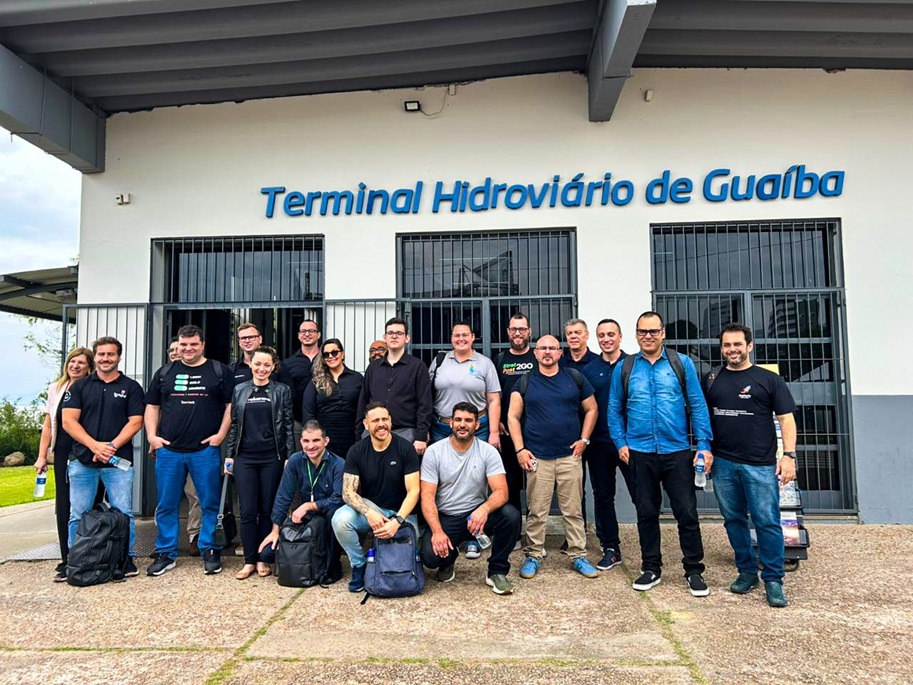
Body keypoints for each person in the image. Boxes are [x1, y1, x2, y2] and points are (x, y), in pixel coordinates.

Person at [608, 311, 713, 597]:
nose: (648, 336)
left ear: (663, 333)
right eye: (642, 331)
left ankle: (694, 570)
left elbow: (697, 404)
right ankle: (651, 568)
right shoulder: (626, 367)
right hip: (639, 452)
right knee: (646, 513)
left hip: (677, 451)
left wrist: (703, 444)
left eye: (653, 331)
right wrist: (620, 442)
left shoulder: (682, 364)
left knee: (687, 513)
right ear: (636, 334)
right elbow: (615, 408)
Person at [705, 323, 798, 608]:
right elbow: (703, 416)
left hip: (759, 464)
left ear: (749, 346)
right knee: (733, 520)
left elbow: (786, 419)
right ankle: (746, 572)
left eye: (737, 344)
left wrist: (789, 456)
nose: (732, 350)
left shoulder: (768, 379)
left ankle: (773, 579)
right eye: (727, 345)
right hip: (723, 464)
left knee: (766, 521)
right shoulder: (712, 378)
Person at [507, 334, 600, 579]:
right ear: (535, 354)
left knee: (573, 511)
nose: (547, 352)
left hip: (570, 456)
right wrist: (520, 449)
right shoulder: (525, 382)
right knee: (537, 511)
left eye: (552, 348)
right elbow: (512, 417)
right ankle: (534, 555)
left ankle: (578, 555)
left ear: (560, 353)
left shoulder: (574, 378)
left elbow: (592, 409)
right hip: (538, 458)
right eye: (542, 348)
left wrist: (585, 439)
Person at [145, 324, 234, 576]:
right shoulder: (165, 372)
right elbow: (152, 406)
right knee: (167, 504)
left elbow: (230, 406)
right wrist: (152, 437)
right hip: (169, 451)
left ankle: (209, 548)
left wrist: (220, 435)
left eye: (193, 344)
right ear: (178, 346)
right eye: (184, 345)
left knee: (209, 502)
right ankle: (166, 552)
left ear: (202, 344)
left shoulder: (218, 371)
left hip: (204, 450)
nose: (188, 349)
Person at [62, 337, 144, 577]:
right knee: (77, 514)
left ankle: (125, 559)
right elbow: (68, 421)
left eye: (110, 354)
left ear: (119, 357)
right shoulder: (80, 386)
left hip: (118, 463)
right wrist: (95, 446)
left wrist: (111, 447)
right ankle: (75, 560)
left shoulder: (131, 387)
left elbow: (136, 421)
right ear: (95, 357)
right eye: (101, 355)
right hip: (82, 461)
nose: (105, 359)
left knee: (124, 512)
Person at [420, 402, 521, 595]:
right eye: (458, 420)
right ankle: (449, 559)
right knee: (430, 558)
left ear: (477, 425)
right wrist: (437, 531)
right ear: (450, 423)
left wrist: (483, 509)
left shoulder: (488, 451)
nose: (462, 424)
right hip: (447, 516)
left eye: (468, 420)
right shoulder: (434, 452)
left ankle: (497, 572)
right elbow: (427, 496)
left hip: (477, 516)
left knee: (511, 515)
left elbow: (502, 491)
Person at [332, 402, 420, 592]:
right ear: (366, 424)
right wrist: (369, 512)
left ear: (390, 421)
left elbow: (414, 490)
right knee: (340, 520)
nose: (381, 424)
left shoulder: (405, 448)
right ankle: (359, 565)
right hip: (373, 509)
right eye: (376, 420)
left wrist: (397, 521)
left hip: (402, 513)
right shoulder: (357, 451)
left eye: (385, 419)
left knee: (409, 550)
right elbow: (347, 492)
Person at [225, 346, 294, 579]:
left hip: (271, 457)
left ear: (273, 367)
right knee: (247, 510)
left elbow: (286, 426)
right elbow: (234, 424)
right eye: (258, 364)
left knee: (267, 510)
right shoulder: (240, 390)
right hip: (245, 457)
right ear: (251, 365)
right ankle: (249, 560)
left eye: (267, 365)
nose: (262, 369)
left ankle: (264, 558)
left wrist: (289, 456)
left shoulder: (282, 391)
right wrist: (230, 454)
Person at [34, 347, 95, 582]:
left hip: (87, 450)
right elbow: (48, 425)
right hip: (62, 451)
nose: (76, 366)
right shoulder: (56, 388)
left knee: (89, 504)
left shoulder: (92, 388)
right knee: (65, 504)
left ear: (89, 367)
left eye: (81, 362)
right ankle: (67, 557)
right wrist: (42, 456)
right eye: (72, 361)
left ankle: (89, 553)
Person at [259, 420, 346, 587]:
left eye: (316, 440)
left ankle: (331, 566)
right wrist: (275, 530)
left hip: (328, 514)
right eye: (306, 441)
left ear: (325, 441)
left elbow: (338, 498)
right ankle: (310, 562)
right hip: (307, 519)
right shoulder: (295, 461)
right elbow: (283, 496)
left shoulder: (338, 464)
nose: (310, 446)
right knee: (267, 554)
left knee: (334, 515)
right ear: (301, 442)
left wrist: (308, 506)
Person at [581, 318, 637, 571]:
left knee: (642, 495)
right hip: (600, 444)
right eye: (601, 335)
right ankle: (611, 547)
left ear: (620, 336)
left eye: (611, 334)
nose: (606, 339)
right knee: (603, 497)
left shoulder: (635, 365)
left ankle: (650, 548)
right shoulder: (589, 371)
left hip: (632, 443)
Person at [356, 317, 432, 456]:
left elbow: (424, 404)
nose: (394, 336)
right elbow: (363, 401)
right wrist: (359, 433)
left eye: (399, 333)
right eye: (390, 333)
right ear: (385, 337)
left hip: (406, 433)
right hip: (373, 432)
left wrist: (421, 436)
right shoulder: (373, 368)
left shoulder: (417, 367)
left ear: (407, 338)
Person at [494, 313, 536, 542]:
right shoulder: (500, 359)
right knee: (509, 483)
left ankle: (534, 535)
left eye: (522, 329)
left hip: (535, 430)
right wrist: (498, 419)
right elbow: (494, 395)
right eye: (513, 329)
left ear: (529, 331)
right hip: (507, 432)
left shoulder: (538, 356)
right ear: (508, 332)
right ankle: (514, 534)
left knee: (536, 484)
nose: (517, 333)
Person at [428, 322, 500, 448]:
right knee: (443, 465)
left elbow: (494, 400)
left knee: (476, 466)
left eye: (465, 335)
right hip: (442, 427)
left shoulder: (485, 363)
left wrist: (494, 432)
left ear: (472, 337)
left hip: (477, 428)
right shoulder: (439, 361)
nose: (461, 339)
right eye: (457, 335)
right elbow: (426, 395)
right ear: (451, 338)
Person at [303, 339, 364, 460]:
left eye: (334, 353)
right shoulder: (316, 381)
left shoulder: (356, 378)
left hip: (351, 435)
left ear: (343, 354)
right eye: (326, 354)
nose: (330, 357)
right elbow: (308, 411)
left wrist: (359, 437)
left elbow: (362, 409)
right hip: (325, 438)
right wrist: (314, 438)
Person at [278, 319, 321, 436]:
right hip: (298, 421)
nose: (307, 334)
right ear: (298, 335)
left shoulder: (328, 360)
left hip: (326, 417)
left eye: (311, 331)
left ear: (318, 335)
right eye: (303, 331)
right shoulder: (287, 364)